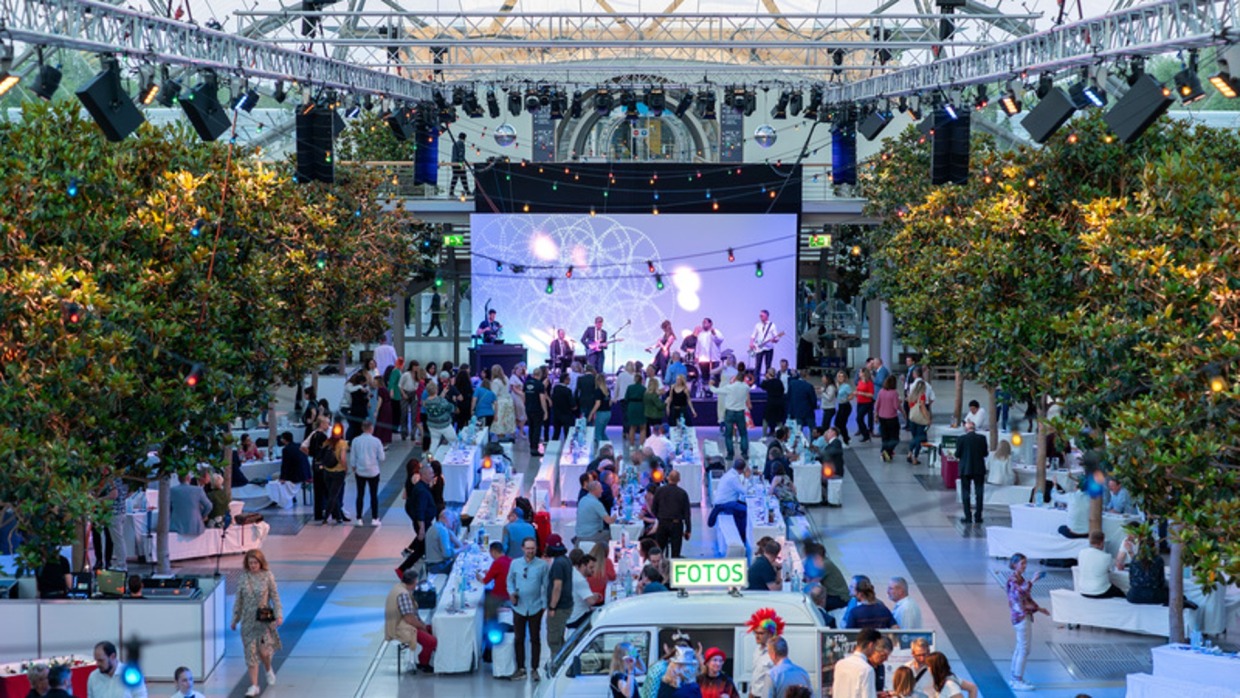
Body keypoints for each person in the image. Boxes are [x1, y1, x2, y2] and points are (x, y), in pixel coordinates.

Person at [231, 550, 281, 697]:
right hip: (247, 621)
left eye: (255, 563)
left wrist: (279, 615)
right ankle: (254, 685)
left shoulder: (268, 576)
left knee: (264, 651)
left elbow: (275, 597)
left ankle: (267, 668)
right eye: (250, 563)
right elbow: (238, 600)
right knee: (250, 653)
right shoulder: (243, 578)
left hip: (263, 621)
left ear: (261, 563)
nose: (253, 566)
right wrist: (235, 619)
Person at [507, 537, 548, 681]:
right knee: (519, 638)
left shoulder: (542, 565)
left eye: (533, 548)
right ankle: (520, 668)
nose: (530, 551)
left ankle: (535, 668)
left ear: (536, 549)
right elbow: (510, 581)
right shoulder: (515, 563)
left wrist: (544, 606)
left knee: (535, 638)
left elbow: (546, 585)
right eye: (528, 548)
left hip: (535, 607)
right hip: (519, 607)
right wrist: (511, 593)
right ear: (523, 549)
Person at [1006, 553, 1047, 691]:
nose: (1024, 566)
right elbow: (1020, 595)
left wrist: (1039, 608)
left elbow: (1026, 598)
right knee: (1024, 649)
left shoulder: (1019, 579)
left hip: (1021, 616)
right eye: (1022, 563)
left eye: (1025, 563)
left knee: (1020, 648)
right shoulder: (1013, 580)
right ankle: (1017, 679)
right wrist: (1033, 581)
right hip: (1021, 617)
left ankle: (1014, 676)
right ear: (1014, 564)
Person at [385, 569, 437, 673]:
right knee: (431, 641)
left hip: (402, 623)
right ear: (413, 582)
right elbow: (409, 619)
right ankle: (423, 663)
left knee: (433, 628)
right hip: (401, 628)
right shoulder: (404, 595)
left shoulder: (400, 588)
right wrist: (422, 627)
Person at [544, 533, 574, 659]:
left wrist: (552, 607)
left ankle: (556, 664)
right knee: (560, 636)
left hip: (559, 607)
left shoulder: (557, 564)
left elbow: (557, 587)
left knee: (554, 639)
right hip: (566, 604)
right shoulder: (566, 560)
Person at [708, 373, 752, 462]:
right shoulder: (746, 387)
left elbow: (716, 391)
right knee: (743, 433)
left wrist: (710, 385)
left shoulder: (730, 387)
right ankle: (744, 453)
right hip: (740, 412)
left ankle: (730, 454)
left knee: (728, 434)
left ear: (735, 378)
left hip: (730, 412)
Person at [347, 420, 383, 526]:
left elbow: (353, 457)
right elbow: (382, 457)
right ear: (371, 428)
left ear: (362, 428)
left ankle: (359, 518)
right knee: (373, 495)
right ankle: (375, 518)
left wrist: (354, 467)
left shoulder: (356, 441)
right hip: (374, 472)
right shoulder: (376, 441)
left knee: (360, 495)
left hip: (360, 471)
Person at [653, 469, 692, 558]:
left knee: (659, 549)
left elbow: (654, 508)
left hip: (662, 523)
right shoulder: (682, 493)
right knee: (675, 551)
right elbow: (687, 513)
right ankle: (673, 567)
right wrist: (688, 530)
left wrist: (660, 517)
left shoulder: (659, 491)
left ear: (667, 478)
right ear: (679, 480)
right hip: (676, 524)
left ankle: (659, 568)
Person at [955, 420, 988, 525]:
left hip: (965, 469)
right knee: (979, 492)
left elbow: (957, 454)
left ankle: (968, 516)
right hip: (979, 469)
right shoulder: (982, 438)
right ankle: (978, 516)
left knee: (966, 492)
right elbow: (985, 453)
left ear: (966, 429)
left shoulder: (961, 439)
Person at [831, 627, 880, 698]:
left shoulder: (840, 664)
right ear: (871, 645)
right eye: (875, 646)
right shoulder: (867, 670)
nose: (875, 650)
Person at [745, 609, 783, 698]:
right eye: (755, 632)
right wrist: (751, 692)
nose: (757, 636)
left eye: (761, 633)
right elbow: (756, 674)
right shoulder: (757, 650)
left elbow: (779, 678)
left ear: (770, 634)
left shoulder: (775, 652)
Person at [1078, 530, 1125, 599]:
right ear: (1102, 542)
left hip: (1082, 589)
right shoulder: (1106, 557)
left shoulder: (1081, 552)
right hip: (1099, 590)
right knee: (1122, 594)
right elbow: (1113, 570)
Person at [320, 425, 349, 525]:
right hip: (338, 472)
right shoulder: (343, 444)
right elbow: (343, 458)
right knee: (334, 495)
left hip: (327, 471)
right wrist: (346, 468)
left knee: (332, 494)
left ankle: (339, 517)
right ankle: (326, 516)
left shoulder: (327, 442)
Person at [566, 549, 601, 628]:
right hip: (577, 618)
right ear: (583, 565)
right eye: (591, 567)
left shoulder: (572, 572)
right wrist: (596, 596)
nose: (593, 570)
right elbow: (591, 601)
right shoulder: (580, 580)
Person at [577, 480, 617, 547]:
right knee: (611, 534)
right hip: (590, 535)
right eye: (600, 489)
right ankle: (605, 553)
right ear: (595, 490)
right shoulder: (596, 503)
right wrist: (616, 515)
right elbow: (609, 521)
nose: (602, 491)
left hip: (580, 534)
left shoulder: (583, 499)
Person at [424, 510, 462, 574]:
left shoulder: (433, 527)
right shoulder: (442, 530)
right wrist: (461, 549)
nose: (453, 523)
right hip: (439, 567)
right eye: (452, 520)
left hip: (431, 566)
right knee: (461, 567)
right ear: (446, 518)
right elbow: (447, 554)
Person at [524, 365, 551, 456]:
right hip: (537, 409)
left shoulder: (527, 383)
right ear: (540, 374)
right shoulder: (540, 385)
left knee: (530, 428)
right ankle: (535, 448)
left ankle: (531, 445)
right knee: (537, 428)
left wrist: (525, 405)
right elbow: (542, 399)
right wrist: (545, 411)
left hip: (528, 408)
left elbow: (524, 396)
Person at [748, 310, 781, 379]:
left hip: (769, 348)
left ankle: (767, 382)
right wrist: (751, 343)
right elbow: (753, 335)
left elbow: (777, 338)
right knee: (757, 366)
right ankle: (756, 383)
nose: (760, 317)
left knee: (768, 366)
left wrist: (774, 340)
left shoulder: (772, 325)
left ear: (766, 316)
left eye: (762, 315)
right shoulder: (757, 325)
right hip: (759, 348)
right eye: (760, 315)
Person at [785, 371, 818, 435]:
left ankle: (799, 444)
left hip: (796, 411)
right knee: (812, 428)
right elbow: (813, 400)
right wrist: (814, 407)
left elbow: (788, 397)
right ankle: (813, 443)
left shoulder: (792, 384)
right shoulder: (809, 386)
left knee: (798, 430)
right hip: (808, 411)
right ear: (807, 376)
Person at [906, 380, 929, 464]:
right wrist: (928, 419)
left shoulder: (911, 396)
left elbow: (910, 406)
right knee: (919, 439)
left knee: (915, 437)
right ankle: (915, 458)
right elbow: (923, 408)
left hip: (912, 419)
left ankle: (909, 453)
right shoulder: (922, 396)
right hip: (920, 420)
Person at [550, 371, 576, 441]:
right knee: (567, 433)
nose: (570, 381)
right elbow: (572, 403)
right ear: (565, 380)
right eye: (569, 379)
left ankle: (553, 446)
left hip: (556, 414)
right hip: (566, 414)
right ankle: (567, 447)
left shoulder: (555, 388)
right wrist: (574, 407)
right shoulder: (567, 391)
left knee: (556, 432)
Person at [834, 370, 854, 446]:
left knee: (842, 424)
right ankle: (846, 438)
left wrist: (846, 399)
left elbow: (851, 395)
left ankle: (846, 441)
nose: (840, 378)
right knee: (837, 423)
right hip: (840, 406)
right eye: (839, 376)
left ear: (845, 378)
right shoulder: (836, 385)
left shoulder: (846, 386)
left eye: (842, 376)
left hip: (846, 406)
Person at [449, 131, 470, 196]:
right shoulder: (461, 144)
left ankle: (451, 191)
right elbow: (461, 155)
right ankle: (467, 191)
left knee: (455, 177)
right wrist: (461, 165)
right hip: (459, 164)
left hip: (454, 163)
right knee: (463, 177)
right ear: (464, 138)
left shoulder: (455, 143)